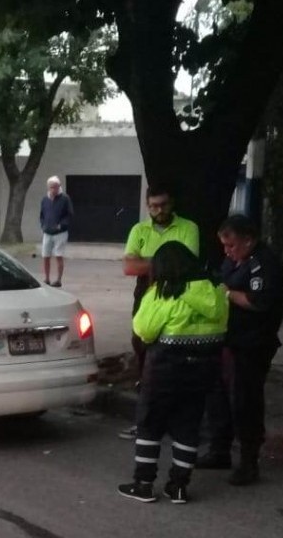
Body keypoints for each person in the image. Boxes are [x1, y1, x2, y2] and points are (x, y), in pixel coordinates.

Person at [117, 241, 227, 505]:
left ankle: (144, 484)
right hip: (203, 370)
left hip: (166, 369)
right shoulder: (215, 293)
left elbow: (144, 330)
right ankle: (178, 487)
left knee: (150, 424)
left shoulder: (163, 293)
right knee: (189, 426)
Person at [197, 214, 283, 486]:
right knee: (218, 396)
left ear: (248, 239)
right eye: (224, 246)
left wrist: (225, 293)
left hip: (252, 343)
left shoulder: (264, 263)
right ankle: (219, 450)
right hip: (226, 340)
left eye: (232, 245)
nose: (227, 251)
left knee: (245, 401)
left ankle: (249, 462)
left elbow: (258, 302)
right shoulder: (234, 259)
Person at [118, 187, 200, 440]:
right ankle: (146, 418)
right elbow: (129, 267)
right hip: (146, 293)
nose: (159, 210)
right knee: (142, 347)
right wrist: (165, 262)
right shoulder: (139, 230)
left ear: (171, 203)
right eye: (153, 206)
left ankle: (173, 420)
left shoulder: (188, 228)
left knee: (172, 351)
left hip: (178, 292)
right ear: (147, 205)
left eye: (163, 205)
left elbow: (188, 265)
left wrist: (148, 263)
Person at [39, 176, 73, 287]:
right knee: (45, 256)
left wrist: (62, 225)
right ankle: (47, 278)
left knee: (58, 255)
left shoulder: (65, 198)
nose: (54, 189)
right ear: (48, 187)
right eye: (51, 187)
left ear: (59, 187)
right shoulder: (45, 199)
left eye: (56, 187)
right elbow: (42, 215)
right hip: (47, 232)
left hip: (60, 233)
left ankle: (58, 280)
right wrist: (43, 225)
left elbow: (69, 214)